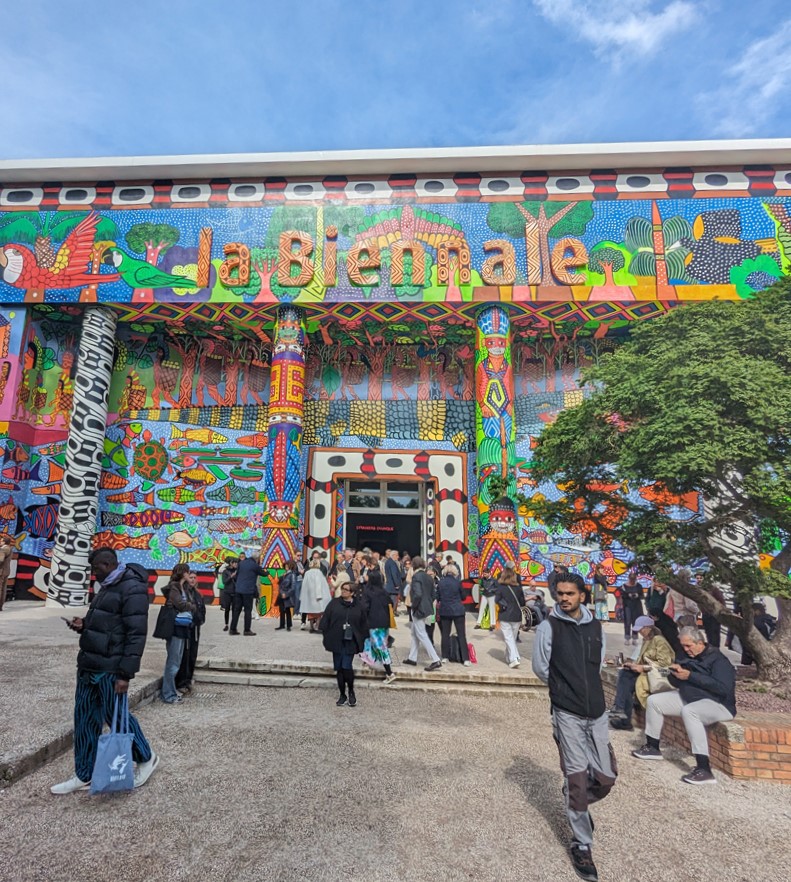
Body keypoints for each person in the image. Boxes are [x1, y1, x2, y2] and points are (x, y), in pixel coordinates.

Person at [50, 548, 159, 794]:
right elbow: (108, 623)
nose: (93, 573)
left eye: (96, 568)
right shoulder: (107, 585)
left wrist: (125, 674)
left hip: (110, 668)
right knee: (84, 719)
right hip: (89, 664)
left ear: (109, 564)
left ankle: (146, 757)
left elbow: (136, 635)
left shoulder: (132, 588)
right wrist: (84, 625)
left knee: (116, 716)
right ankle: (84, 774)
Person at [532, 572, 614, 882]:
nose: (564, 598)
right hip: (567, 712)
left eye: (570, 593)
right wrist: (562, 690)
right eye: (560, 593)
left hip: (597, 712)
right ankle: (582, 843)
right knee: (578, 779)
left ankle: (574, 798)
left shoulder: (596, 627)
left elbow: (599, 663)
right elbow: (541, 667)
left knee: (605, 778)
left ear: (582, 595)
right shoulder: (549, 627)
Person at [632, 626, 736, 785]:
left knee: (690, 711)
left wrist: (690, 676)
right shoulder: (685, 655)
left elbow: (723, 688)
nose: (686, 649)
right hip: (691, 697)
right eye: (683, 646)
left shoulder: (718, 660)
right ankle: (652, 747)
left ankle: (704, 768)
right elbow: (675, 682)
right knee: (654, 701)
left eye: (689, 646)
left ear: (700, 643)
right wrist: (675, 673)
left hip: (718, 703)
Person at [609, 615, 674, 730]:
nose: (639, 632)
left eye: (641, 629)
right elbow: (641, 659)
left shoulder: (659, 641)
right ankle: (621, 713)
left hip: (659, 674)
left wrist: (643, 667)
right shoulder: (646, 640)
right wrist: (633, 665)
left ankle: (621, 714)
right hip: (648, 671)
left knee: (626, 681)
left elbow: (665, 665)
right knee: (624, 674)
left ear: (648, 628)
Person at [320, 577, 368, 706]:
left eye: (346, 590)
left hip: (350, 640)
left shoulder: (359, 606)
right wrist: (326, 634)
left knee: (346, 666)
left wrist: (363, 638)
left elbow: (363, 624)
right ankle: (342, 694)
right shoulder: (334, 603)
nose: (343, 591)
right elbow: (326, 619)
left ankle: (351, 691)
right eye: (342, 589)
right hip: (337, 639)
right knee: (339, 668)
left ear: (352, 593)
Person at [162, 563, 195, 704]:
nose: (189, 575)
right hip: (175, 626)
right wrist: (191, 606)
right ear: (182, 573)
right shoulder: (174, 587)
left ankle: (172, 690)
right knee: (173, 662)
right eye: (187, 572)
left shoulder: (184, 588)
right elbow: (180, 605)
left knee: (178, 660)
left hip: (183, 626)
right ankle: (168, 694)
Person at [403, 556, 442, 671]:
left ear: (414, 565)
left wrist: (414, 606)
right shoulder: (428, 577)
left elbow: (418, 594)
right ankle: (412, 658)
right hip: (426, 607)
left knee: (421, 634)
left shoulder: (416, 577)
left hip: (418, 608)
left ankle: (435, 659)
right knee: (415, 633)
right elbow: (433, 594)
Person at [361, 569, 397, 684]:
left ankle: (389, 672)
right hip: (384, 623)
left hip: (373, 622)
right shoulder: (384, 592)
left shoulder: (368, 592)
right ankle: (368, 661)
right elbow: (390, 604)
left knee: (379, 646)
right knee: (374, 643)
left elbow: (364, 607)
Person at [175, 571, 206, 696]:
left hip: (196, 628)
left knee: (193, 654)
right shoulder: (184, 592)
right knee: (185, 655)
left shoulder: (197, 594)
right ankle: (182, 681)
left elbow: (202, 609)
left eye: (194, 577)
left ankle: (188, 679)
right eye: (190, 577)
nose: (192, 580)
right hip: (186, 627)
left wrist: (201, 619)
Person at [436, 563, 471, 666]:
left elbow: (437, 597)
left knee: (445, 634)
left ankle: (445, 657)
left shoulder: (441, 583)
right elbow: (463, 596)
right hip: (458, 610)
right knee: (461, 634)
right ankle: (465, 659)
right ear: (455, 572)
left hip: (445, 610)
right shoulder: (458, 582)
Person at [495, 567, 526, 668]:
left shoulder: (500, 588)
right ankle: (510, 657)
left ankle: (514, 659)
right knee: (512, 638)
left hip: (505, 614)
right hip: (516, 616)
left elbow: (496, 599)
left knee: (509, 638)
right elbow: (522, 603)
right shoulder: (518, 588)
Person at [230, 553, 266, 635]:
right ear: (257, 559)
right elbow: (263, 573)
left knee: (236, 610)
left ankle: (232, 629)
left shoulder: (241, 563)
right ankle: (247, 630)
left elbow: (237, 574)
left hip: (238, 590)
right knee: (247, 611)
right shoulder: (255, 565)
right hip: (248, 591)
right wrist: (267, 572)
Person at [300, 558, 333, 631]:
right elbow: (320, 585)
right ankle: (317, 626)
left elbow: (304, 585)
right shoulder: (319, 573)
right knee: (318, 613)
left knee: (310, 612)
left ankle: (311, 626)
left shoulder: (307, 573)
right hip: (318, 596)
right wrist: (320, 595)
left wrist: (304, 595)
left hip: (309, 595)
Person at [621, 573, 644, 645]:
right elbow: (622, 596)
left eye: (633, 580)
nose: (632, 581)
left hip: (636, 606)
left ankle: (635, 638)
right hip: (627, 606)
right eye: (631, 580)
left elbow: (642, 596)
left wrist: (637, 595)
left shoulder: (639, 586)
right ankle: (627, 638)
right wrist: (628, 595)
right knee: (627, 622)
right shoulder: (624, 586)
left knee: (635, 622)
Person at [276, 560, 297, 631]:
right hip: (281, 593)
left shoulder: (292, 575)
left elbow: (293, 587)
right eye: (285, 566)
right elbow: (280, 584)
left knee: (287, 610)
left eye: (287, 566)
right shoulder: (284, 574)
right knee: (281, 610)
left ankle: (288, 625)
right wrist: (281, 577)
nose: (286, 567)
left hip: (287, 594)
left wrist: (287, 594)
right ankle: (281, 625)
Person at [219, 557, 237, 631]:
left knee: (234, 610)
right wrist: (231, 576)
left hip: (235, 592)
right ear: (231, 563)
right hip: (227, 592)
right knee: (227, 609)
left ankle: (233, 625)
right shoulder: (225, 571)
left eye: (236, 563)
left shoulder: (237, 571)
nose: (236, 564)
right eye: (234, 563)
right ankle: (226, 624)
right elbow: (224, 582)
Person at [384, 549, 404, 615]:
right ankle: (391, 614)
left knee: (390, 601)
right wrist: (397, 584)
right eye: (397, 555)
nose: (398, 557)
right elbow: (394, 574)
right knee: (393, 601)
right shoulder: (392, 563)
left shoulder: (387, 562)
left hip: (389, 586)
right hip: (393, 586)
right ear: (393, 555)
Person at [0, 534, 12, 611]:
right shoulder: (10, 548)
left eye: (1, 541)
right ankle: (0, 605)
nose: (0, 542)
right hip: (6, 570)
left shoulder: (3, 549)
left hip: (1, 571)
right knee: (3, 589)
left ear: (4, 542)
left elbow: (0, 560)